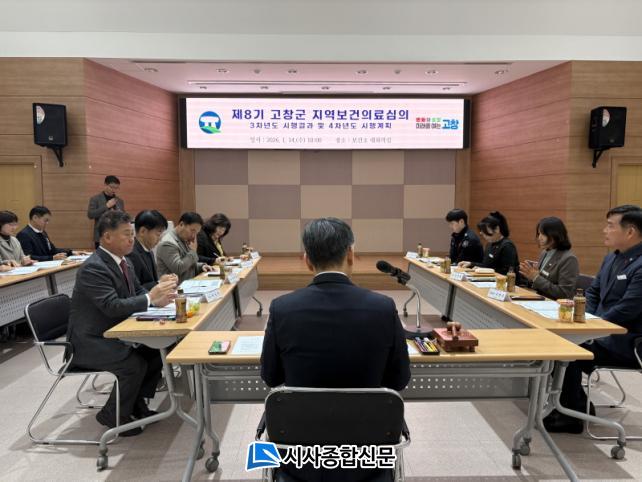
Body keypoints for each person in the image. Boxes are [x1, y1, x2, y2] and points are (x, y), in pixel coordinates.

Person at [261, 217, 411, 481]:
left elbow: (271, 377)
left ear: (307, 260)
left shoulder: (282, 308)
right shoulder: (383, 307)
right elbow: (399, 380)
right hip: (369, 459)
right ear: (350, 254)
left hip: (299, 459)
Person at [66, 211, 176, 436]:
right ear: (107, 237)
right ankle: (112, 414)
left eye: (132, 234)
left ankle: (136, 404)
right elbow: (112, 306)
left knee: (155, 352)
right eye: (127, 234)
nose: (132, 239)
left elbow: (138, 291)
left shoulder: (124, 262)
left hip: (113, 333)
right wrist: (150, 298)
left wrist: (159, 299)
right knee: (133, 364)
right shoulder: (94, 267)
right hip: (90, 342)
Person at [544, 205, 642, 434]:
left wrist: (592, 328)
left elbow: (627, 309)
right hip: (602, 332)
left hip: (626, 341)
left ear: (630, 232)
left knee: (566, 348)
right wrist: (583, 321)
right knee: (556, 341)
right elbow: (593, 293)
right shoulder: (612, 258)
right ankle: (575, 404)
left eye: (610, 226)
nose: (604, 230)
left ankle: (572, 415)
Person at [519, 217, 579, 300]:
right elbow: (539, 282)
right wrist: (529, 276)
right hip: (539, 299)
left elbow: (564, 293)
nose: (539, 238)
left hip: (555, 305)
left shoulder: (569, 259)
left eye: (543, 234)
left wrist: (536, 278)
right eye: (539, 234)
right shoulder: (545, 252)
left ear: (555, 235)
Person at [156, 212, 213, 284]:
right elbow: (178, 268)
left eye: (196, 233)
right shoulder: (168, 243)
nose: (193, 236)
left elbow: (187, 264)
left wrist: (201, 266)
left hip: (188, 285)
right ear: (181, 224)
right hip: (174, 288)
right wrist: (193, 252)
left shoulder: (184, 238)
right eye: (192, 231)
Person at [126, 210, 177, 290]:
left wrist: (165, 280)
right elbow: (135, 290)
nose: (160, 239)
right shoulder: (131, 253)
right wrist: (159, 282)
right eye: (158, 234)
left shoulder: (148, 250)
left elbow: (152, 280)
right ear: (143, 231)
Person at [459, 211, 519, 276]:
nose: (482, 234)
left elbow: (507, 271)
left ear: (497, 229)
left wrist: (485, 270)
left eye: (484, 231)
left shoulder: (507, 246)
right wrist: (471, 264)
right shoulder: (489, 244)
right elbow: (486, 265)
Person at [87, 175, 125, 249]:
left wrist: (119, 214)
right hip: (101, 236)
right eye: (112, 187)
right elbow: (90, 215)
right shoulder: (95, 199)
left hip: (116, 236)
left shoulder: (120, 201)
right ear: (105, 185)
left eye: (116, 188)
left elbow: (123, 218)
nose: (114, 190)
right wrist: (106, 206)